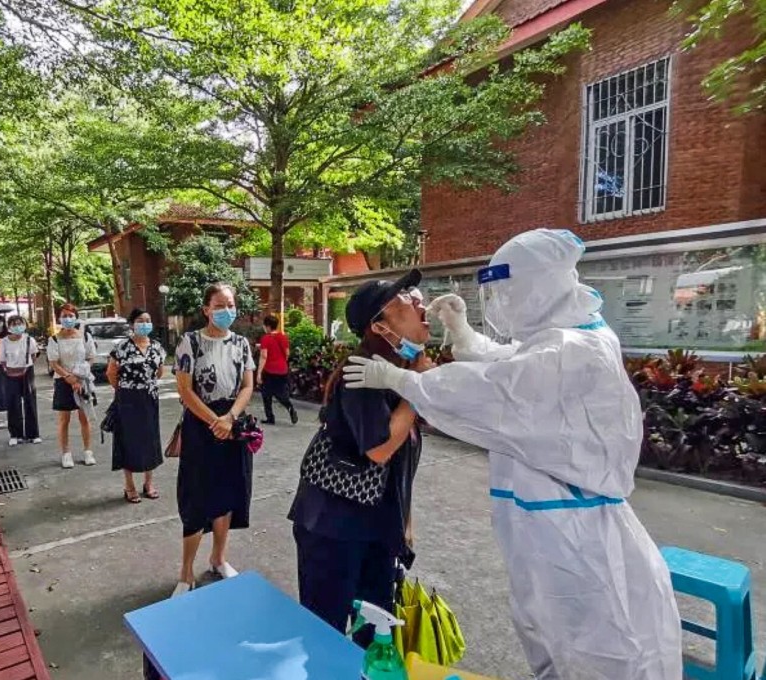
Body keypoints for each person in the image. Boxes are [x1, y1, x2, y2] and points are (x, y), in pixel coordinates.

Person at [343, 229, 682, 680]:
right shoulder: (567, 337)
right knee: (552, 642)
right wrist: (465, 336)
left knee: (595, 653)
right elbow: (516, 364)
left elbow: (500, 390)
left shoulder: (574, 351)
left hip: (575, 534)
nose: (502, 303)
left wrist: (406, 382)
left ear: (539, 287)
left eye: (508, 290)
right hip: (549, 522)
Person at [289, 270, 428, 638]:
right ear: (379, 327)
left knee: (375, 633)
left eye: (414, 294)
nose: (418, 301)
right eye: (403, 300)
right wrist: (417, 387)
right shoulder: (360, 372)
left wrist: (405, 524)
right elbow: (381, 448)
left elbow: (403, 460)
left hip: (378, 528)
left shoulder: (399, 372)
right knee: (326, 633)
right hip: (334, 527)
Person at [172, 282, 255, 598]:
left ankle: (219, 558)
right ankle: (185, 572)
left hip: (232, 423)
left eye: (230, 304)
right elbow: (185, 389)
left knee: (228, 491)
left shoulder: (242, 344)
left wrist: (230, 418)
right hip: (200, 424)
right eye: (219, 305)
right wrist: (214, 421)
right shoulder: (190, 342)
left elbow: (248, 386)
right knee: (196, 495)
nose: (226, 311)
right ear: (206, 309)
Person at [107, 308, 166, 503]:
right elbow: (111, 373)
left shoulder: (157, 346)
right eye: (140, 320)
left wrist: (145, 385)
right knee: (128, 441)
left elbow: (159, 372)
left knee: (150, 440)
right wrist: (125, 390)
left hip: (149, 399)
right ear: (132, 324)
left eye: (148, 320)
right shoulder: (122, 346)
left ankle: (149, 483)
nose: (145, 324)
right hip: (128, 400)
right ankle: (129, 485)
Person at [47, 303, 97, 469]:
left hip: (83, 379)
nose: (68, 319)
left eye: (71, 315)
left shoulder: (85, 336)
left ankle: (88, 451)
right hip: (63, 380)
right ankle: (66, 453)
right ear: (59, 318)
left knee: (84, 417)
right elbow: (53, 363)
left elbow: (91, 357)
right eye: (64, 316)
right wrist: (68, 377)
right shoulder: (54, 340)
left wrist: (79, 375)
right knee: (64, 419)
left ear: (76, 317)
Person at [0, 315, 41, 446]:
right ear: (9, 326)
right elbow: (2, 360)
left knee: (30, 402)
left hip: (27, 372)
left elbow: (34, 356)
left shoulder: (30, 339)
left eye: (20, 323)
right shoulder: (4, 342)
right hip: (10, 374)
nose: (18, 326)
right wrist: (10, 371)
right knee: (13, 404)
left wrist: (26, 367)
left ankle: (33, 434)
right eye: (14, 324)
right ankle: (15, 434)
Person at [257, 314, 298, 425]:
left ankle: (270, 418)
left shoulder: (266, 338)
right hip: (282, 370)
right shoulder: (283, 337)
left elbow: (263, 356)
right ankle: (290, 407)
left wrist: (259, 373)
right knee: (280, 393)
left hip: (270, 370)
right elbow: (287, 353)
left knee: (266, 395)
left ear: (268, 326)